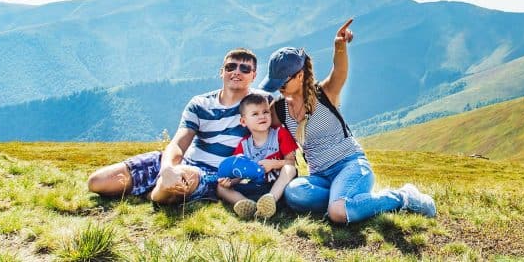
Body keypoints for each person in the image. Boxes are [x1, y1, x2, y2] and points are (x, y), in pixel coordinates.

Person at [259, 19, 437, 223]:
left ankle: (403, 197)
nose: (278, 87)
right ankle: (350, 201)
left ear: (299, 76)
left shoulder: (325, 94)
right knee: (294, 193)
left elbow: (339, 72)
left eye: (282, 82)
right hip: (320, 177)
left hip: (350, 165)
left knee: (337, 213)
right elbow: (257, 122)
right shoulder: (279, 109)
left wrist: (340, 46)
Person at [87, 48, 263, 204]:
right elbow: (179, 143)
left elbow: (288, 108)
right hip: (178, 161)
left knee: (178, 181)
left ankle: (156, 193)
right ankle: (161, 187)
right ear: (221, 72)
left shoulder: (261, 106)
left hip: (210, 175)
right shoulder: (200, 103)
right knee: (97, 182)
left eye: (245, 68)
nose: (236, 72)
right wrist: (167, 169)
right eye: (230, 67)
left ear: (254, 76)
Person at [216, 92, 298, 219]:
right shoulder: (244, 145)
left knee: (290, 169)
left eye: (265, 112)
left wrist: (274, 164)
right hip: (257, 186)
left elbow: (291, 162)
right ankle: (249, 205)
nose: (262, 116)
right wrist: (230, 182)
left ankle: (270, 200)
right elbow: (239, 173)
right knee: (220, 189)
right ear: (243, 121)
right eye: (255, 114)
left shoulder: (280, 134)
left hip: (279, 185)